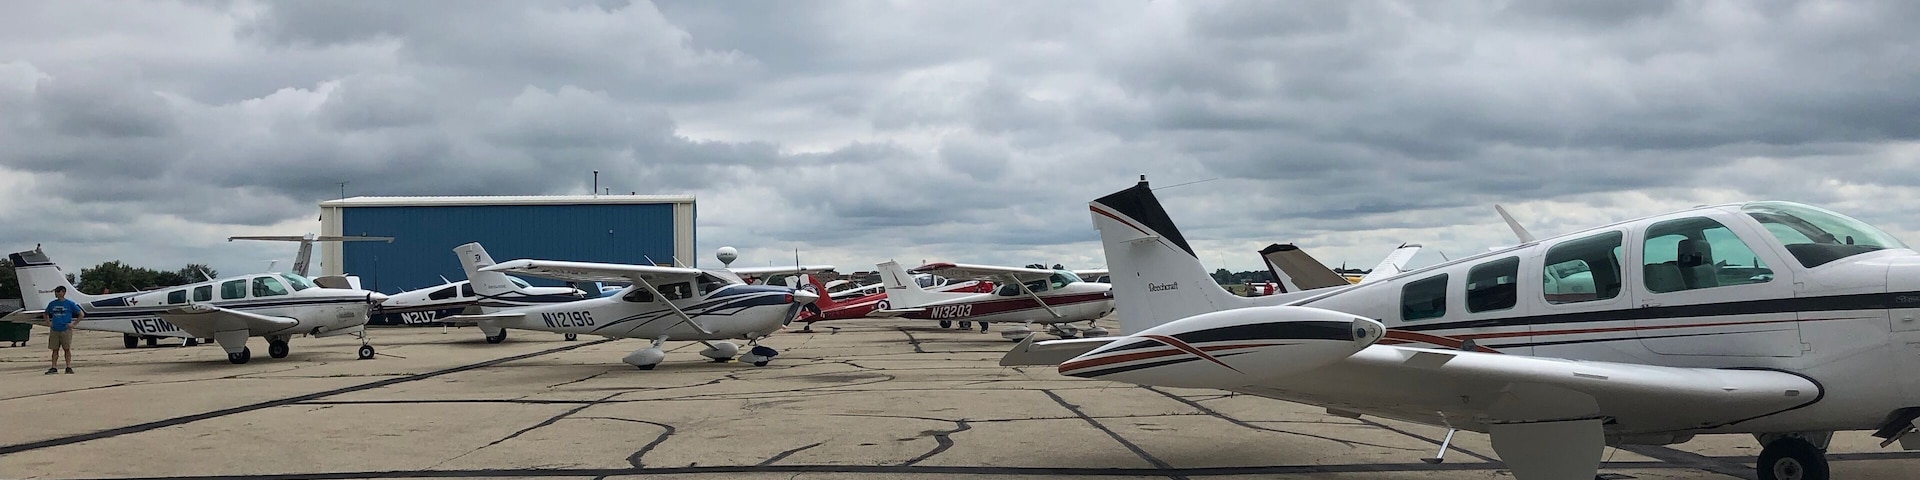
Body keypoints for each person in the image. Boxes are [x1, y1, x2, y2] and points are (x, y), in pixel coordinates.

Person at [44, 285, 83, 374]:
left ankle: (68, 366)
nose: (57, 294)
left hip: (66, 329)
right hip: (55, 329)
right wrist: (48, 323)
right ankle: (54, 367)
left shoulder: (70, 304)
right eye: (56, 292)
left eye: (58, 292)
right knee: (55, 349)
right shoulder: (52, 304)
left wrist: (74, 324)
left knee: (67, 349)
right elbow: (45, 313)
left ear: (63, 292)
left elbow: (81, 314)